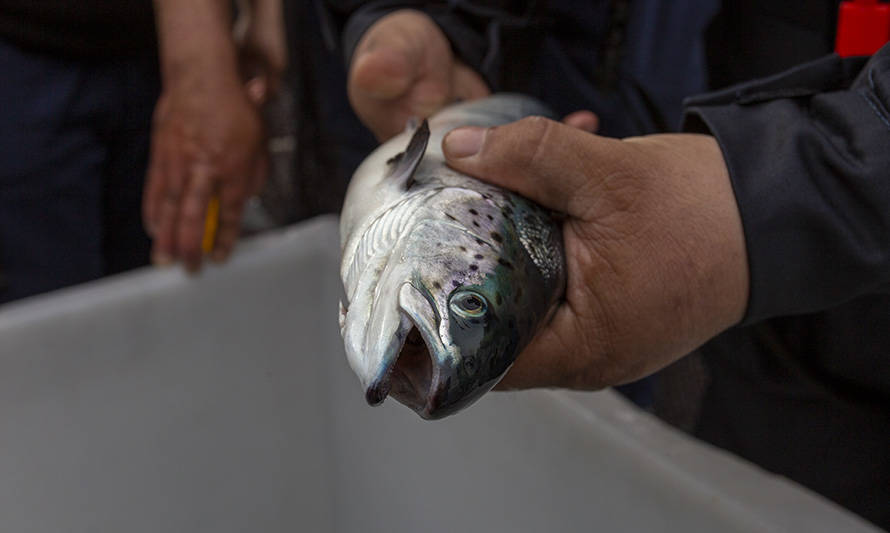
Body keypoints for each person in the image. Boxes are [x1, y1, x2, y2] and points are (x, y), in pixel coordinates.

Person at [320, 1, 890, 527]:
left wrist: (750, 207)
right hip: (762, 312)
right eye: (470, 302)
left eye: (470, 302)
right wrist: (454, 25)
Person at [0, 0, 278, 306]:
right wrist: (200, 67)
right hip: (22, 51)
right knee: (43, 311)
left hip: (155, 51)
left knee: (169, 292)